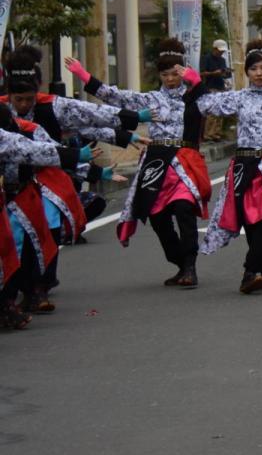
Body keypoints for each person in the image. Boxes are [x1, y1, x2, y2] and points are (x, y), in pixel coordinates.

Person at [0, 45, 150, 310]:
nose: (24, 105)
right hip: (6, 185)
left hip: (45, 175)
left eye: (29, 99)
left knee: (49, 222)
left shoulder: (50, 109)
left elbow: (90, 117)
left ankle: (40, 287)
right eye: (17, 99)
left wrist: (131, 120)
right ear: (8, 94)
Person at [65, 38, 212, 289]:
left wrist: (197, 83)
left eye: (175, 73)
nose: (170, 79)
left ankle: (190, 266)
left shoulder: (195, 97)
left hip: (185, 163)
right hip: (156, 166)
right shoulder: (151, 99)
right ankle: (178, 261)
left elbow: (219, 104)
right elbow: (115, 96)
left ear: (183, 72)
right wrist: (84, 75)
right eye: (165, 74)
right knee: (157, 218)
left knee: (183, 211)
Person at [196, 39, 262, 293]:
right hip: (246, 166)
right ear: (246, 72)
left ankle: (250, 269)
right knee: (251, 220)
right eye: (254, 68)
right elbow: (203, 104)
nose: (259, 73)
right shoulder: (239, 97)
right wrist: (194, 82)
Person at [0, 109, 98, 329]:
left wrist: (83, 163)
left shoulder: (27, 129)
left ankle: (30, 294)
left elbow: (33, 149)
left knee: (28, 248)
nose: (23, 103)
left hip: (20, 198)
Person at [201, 39, 232, 141]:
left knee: (220, 112)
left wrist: (226, 72)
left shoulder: (222, 60)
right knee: (212, 112)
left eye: (222, 51)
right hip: (210, 86)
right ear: (214, 48)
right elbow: (202, 73)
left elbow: (224, 73)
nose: (221, 52)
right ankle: (208, 134)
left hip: (220, 86)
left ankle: (216, 133)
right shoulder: (207, 58)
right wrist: (214, 73)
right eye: (220, 50)